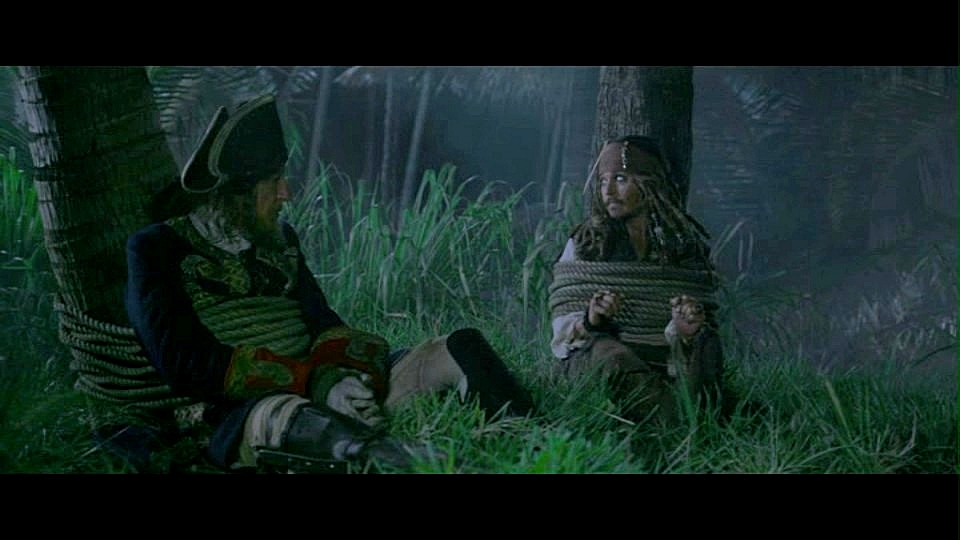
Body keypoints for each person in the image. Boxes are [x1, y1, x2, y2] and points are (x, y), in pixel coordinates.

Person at [119, 94, 533, 473]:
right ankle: (418, 465)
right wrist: (316, 384)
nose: (286, 193)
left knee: (458, 346)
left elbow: (322, 321)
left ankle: (527, 437)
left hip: (323, 381)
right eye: (273, 181)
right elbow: (186, 362)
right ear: (236, 193)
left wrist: (344, 379)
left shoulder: (281, 240)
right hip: (244, 407)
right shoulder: (155, 248)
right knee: (294, 418)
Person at [548, 135, 724, 424]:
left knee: (707, 346)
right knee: (610, 355)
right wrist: (592, 320)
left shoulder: (681, 246)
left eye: (620, 179)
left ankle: (682, 415)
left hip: (663, 361)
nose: (608, 192)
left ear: (650, 184)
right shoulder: (587, 244)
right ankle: (676, 422)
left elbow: (703, 314)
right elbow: (563, 326)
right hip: (601, 359)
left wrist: (684, 331)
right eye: (603, 182)